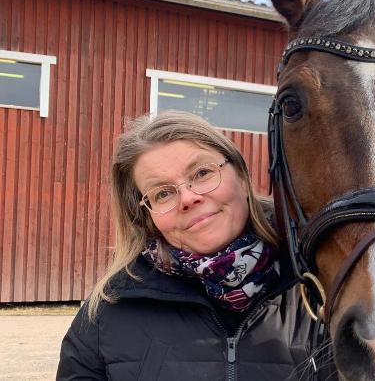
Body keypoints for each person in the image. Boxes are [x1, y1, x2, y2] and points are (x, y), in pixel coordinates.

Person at [57, 110, 323, 381]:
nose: (187, 198)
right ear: (147, 217)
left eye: (202, 173)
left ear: (242, 178)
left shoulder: (322, 287)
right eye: (162, 193)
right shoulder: (109, 311)